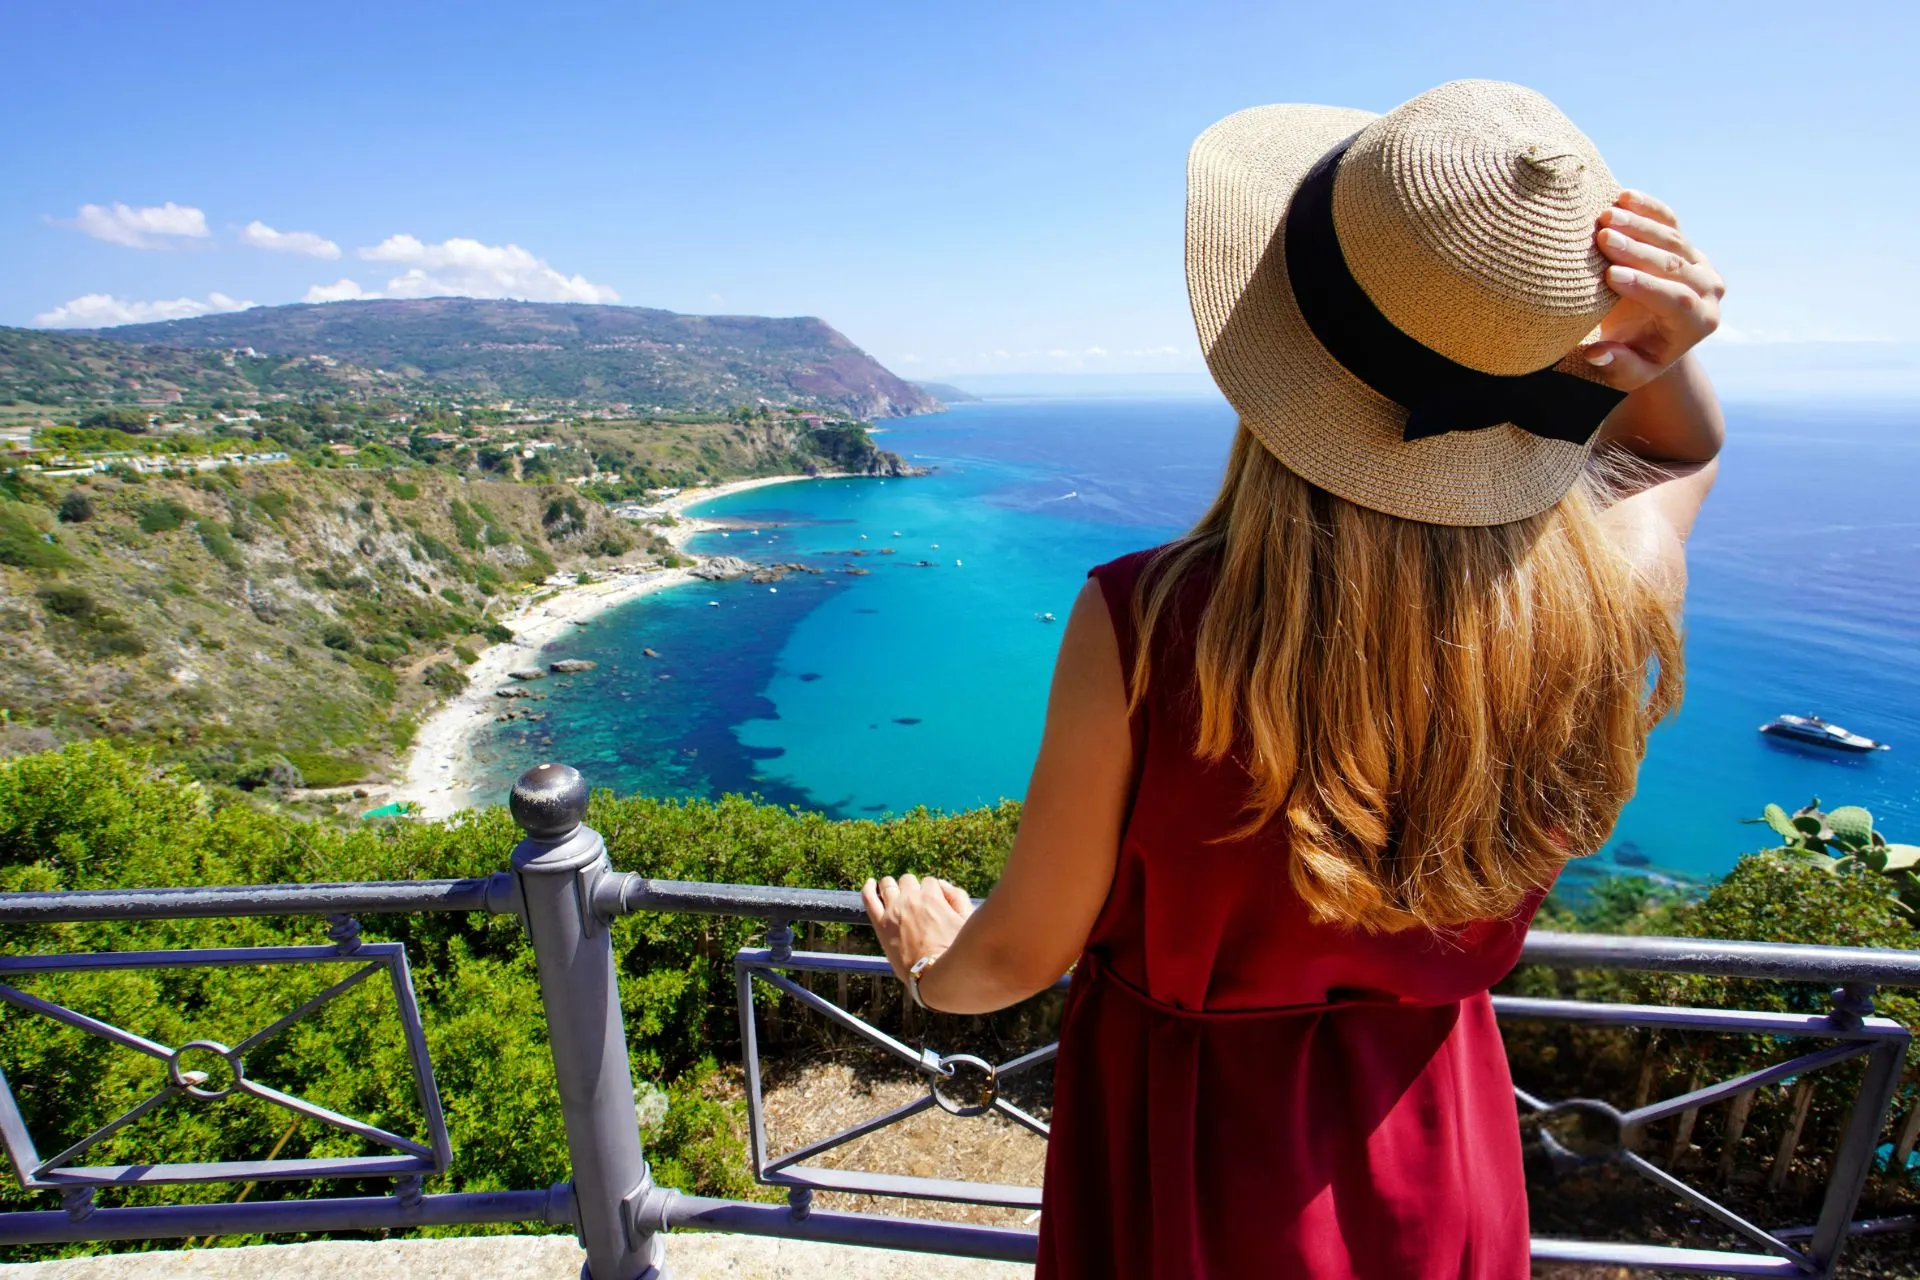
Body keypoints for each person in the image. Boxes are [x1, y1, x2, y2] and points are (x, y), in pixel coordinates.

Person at [861, 79, 1723, 1278]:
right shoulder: (1600, 601)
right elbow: (1678, 451)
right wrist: (1662, 352)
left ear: (1275, 360)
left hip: (1192, 1148)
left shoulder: (1151, 621)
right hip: (1436, 1133)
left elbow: (1016, 955)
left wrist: (929, 962)